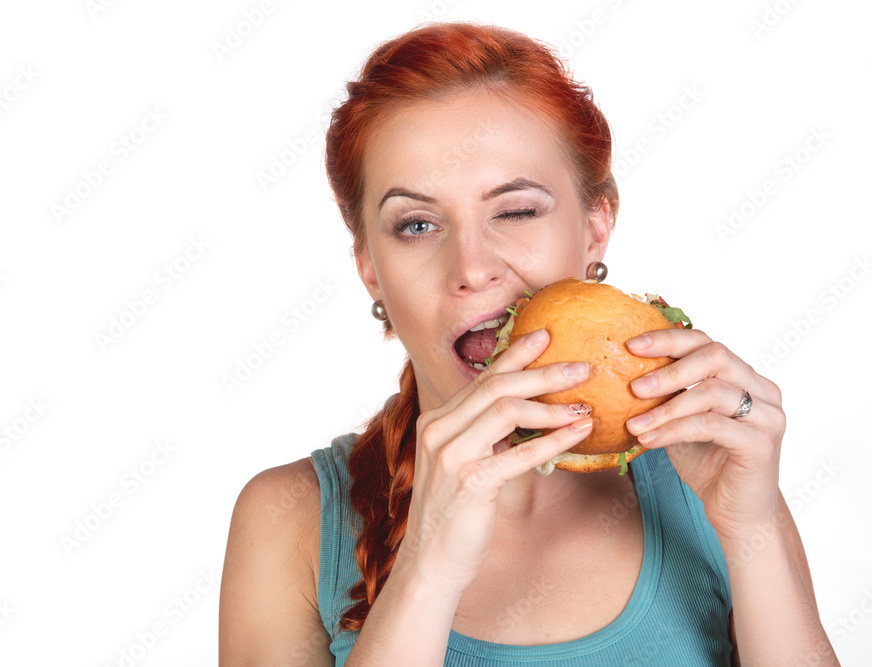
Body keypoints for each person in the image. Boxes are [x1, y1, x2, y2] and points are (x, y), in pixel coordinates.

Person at [218, 21, 839, 666]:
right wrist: (425, 568)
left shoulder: (712, 481)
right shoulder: (288, 520)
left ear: (597, 227)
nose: (473, 266)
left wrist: (752, 532)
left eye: (515, 211)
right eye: (418, 224)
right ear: (369, 267)